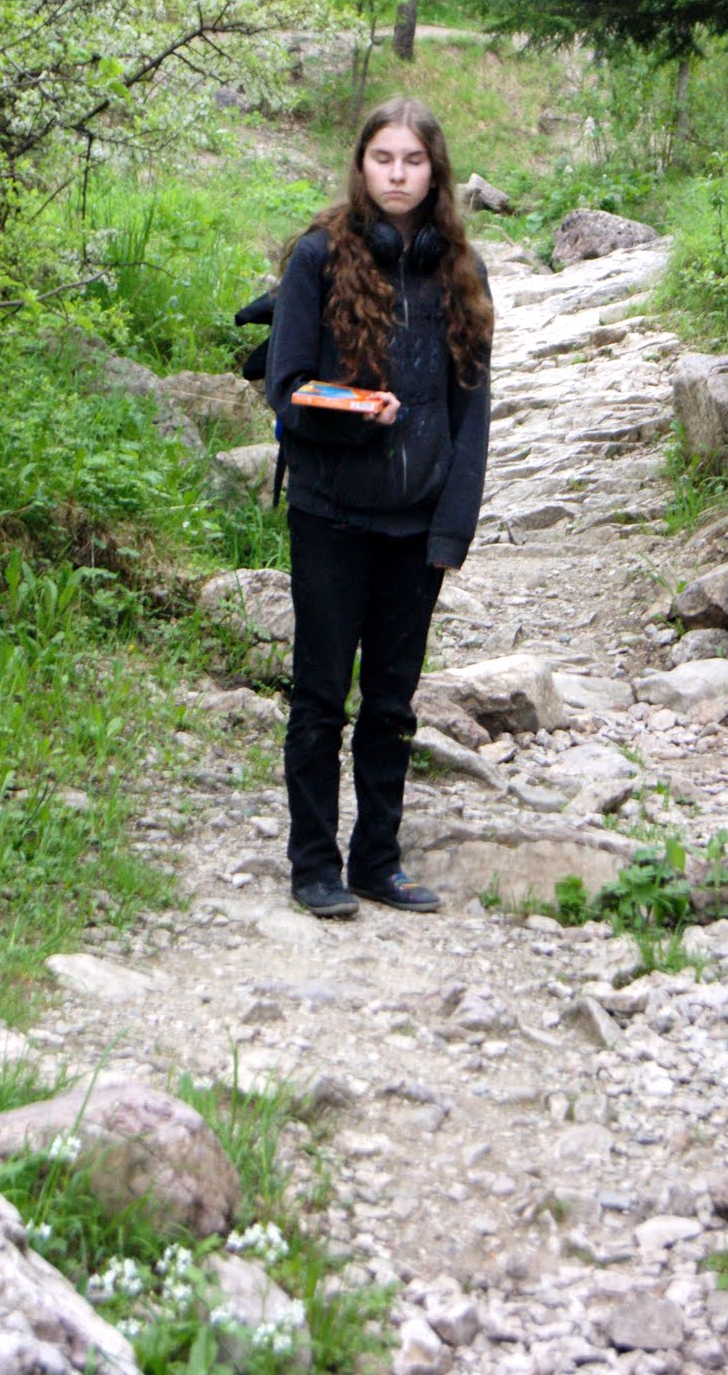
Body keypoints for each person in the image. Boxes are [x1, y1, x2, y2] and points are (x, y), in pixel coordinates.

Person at [265, 97, 494, 921]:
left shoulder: (460, 271)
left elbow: (472, 414)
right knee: (321, 697)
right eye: (382, 158)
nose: (397, 174)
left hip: (415, 523)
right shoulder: (318, 257)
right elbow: (286, 389)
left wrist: (451, 527)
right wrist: (358, 412)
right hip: (329, 512)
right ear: (361, 166)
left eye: (413, 161)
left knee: (392, 704)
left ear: (435, 172)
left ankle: (376, 862)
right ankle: (313, 865)